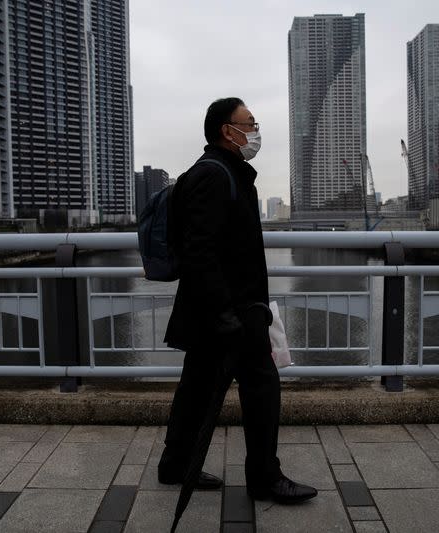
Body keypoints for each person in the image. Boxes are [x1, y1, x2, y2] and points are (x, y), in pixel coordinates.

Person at [157, 97, 317, 504]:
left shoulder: (221, 171)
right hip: (230, 313)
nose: (256, 130)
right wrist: (226, 316)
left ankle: (175, 464)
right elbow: (200, 252)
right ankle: (264, 478)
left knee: (196, 390)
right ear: (228, 131)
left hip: (217, 310)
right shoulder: (215, 175)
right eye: (250, 123)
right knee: (262, 388)